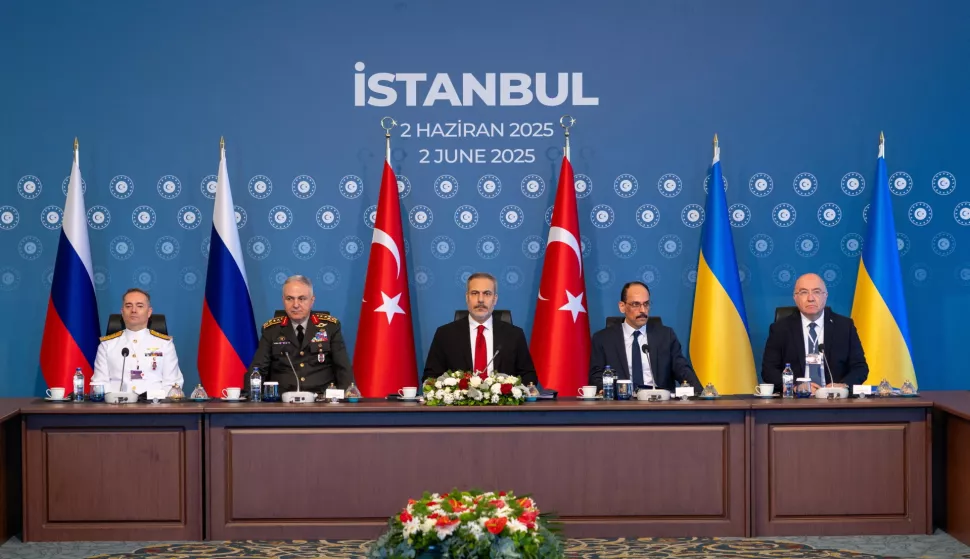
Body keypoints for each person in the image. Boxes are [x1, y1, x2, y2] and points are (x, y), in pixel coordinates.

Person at [423, 272, 538, 386]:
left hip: (502, 403)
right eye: (474, 293)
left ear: (495, 299)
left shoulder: (514, 335)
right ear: (467, 298)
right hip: (460, 403)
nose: (481, 300)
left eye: (487, 293)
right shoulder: (445, 335)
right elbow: (431, 377)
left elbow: (529, 376)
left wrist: (510, 390)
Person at [761, 273, 869, 393]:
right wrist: (795, 388)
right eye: (803, 292)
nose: (810, 298)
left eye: (816, 292)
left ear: (825, 296)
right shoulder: (780, 329)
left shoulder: (844, 326)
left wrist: (844, 386)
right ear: (795, 297)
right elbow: (769, 371)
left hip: (835, 400)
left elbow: (860, 367)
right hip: (796, 401)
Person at [247, 275, 354, 393]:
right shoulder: (271, 330)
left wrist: (347, 401)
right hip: (282, 403)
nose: (296, 305)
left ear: (312, 301)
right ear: (283, 300)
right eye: (290, 298)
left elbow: (343, 369)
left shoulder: (330, 328)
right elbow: (258, 370)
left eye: (302, 298)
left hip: (322, 401)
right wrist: (251, 400)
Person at [589, 281, 701, 392]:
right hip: (621, 403)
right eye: (635, 304)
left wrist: (701, 393)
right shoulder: (603, 339)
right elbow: (596, 376)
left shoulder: (666, 336)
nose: (642, 310)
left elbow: (682, 369)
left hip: (659, 403)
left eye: (646, 304)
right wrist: (604, 390)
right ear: (622, 306)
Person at [92, 288, 184, 396]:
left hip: (155, 407)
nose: (133, 310)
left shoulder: (165, 344)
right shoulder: (107, 345)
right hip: (117, 407)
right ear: (122, 312)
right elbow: (99, 383)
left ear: (149, 312)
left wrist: (156, 400)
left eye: (139, 306)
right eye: (128, 306)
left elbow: (172, 384)